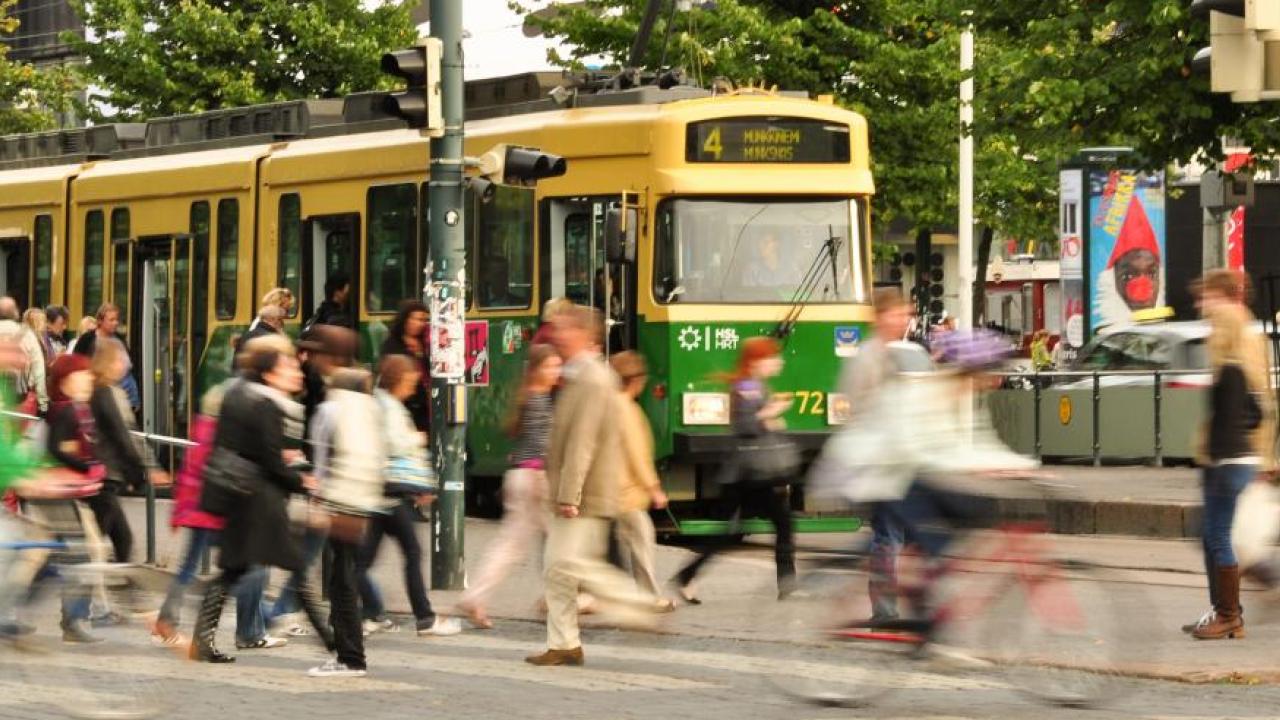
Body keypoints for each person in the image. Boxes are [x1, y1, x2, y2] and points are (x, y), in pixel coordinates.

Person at [189, 335, 335, 665]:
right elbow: (270, 460)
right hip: (260, 501)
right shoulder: (267, 404)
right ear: (269, 373)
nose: (295, 372)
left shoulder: (236, 393)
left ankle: (202, 641)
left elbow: (239, 445)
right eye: (287, 367)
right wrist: (302, 481)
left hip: (236, 495)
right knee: (296, 568)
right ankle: (334, 644)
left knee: (232, 569)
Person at [526, 304, 659, 667]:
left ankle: (638, 603)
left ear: (586, 335)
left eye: (565, 328)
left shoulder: (592, 379)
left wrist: (569, 495)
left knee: (570, 564)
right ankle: (564, 643)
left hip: (585, 493)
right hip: (575, 491)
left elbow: (583, 441)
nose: (557, 333)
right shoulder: (579, 374)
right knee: (557, 569)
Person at [151, 381, 284, 651]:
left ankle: (168, 619)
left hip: (198, 511)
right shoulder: (219, 435)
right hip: (211, 512)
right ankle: (257, 623)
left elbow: (191, 476)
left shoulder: (203, 429)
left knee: (192, 568)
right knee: (247, 565)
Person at [673, 337, 797, 603]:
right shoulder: (746, 387)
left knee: (732, 532)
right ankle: (787, 582)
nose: (778, 361)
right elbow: (745, 427)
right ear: (756, 362)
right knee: (782, 523)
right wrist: (769, 413)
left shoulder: (756, 386)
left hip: (750, 473)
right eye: (772, 357)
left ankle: (688, 576)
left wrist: (771, 417)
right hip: (749, 474)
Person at [1185, 301, 1272, 641]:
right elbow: (1256, 416)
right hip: (1242, 460)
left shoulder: (1227, 371)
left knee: (1218, 535)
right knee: (1215, 533)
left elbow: (1223, 425)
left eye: (1213, 325)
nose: (1209, 332)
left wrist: (1213, 458)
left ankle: (1228, 616)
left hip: (1227, 463)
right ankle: (1227, 613)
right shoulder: (1242, 368)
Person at [357, 355, 460, 638]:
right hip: (392, 493)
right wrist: (418, 439)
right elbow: (395, 444)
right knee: (411, 553)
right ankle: (424, 618)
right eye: (410, 382)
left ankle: (364, 613)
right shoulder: (389, 408)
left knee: (362, 561)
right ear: (398, 381)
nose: (413, 389)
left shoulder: (379, 403)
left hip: (381, 492)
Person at [459, 344, 561, 629]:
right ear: (537, 370)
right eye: (551, 366)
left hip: (519, 476)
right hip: (535, 479)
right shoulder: (541, 401)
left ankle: (475, 597)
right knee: (565, 542)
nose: (556, 371)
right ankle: (568, 599)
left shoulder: (525, 397)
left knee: (510, 546)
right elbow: (546, 448)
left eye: (558, 365)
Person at [834, 288, 912, 622]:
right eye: (897, 314)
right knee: (888, 534)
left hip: (894, 459)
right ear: (880, 318)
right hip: (876, 461)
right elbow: (861, 408)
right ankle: (884, 609)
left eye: (905, 314)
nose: (904, 320)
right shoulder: (868, 356)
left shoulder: (891, 354)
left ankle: (883, 600)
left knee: (894, 533)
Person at [308, 368, 388, 677]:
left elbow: (321, 462)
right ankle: (349, 653)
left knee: (341, 582)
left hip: (339, 501)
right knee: (346, 577)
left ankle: (350, 657)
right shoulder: (370, 410)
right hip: (362, 503)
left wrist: (318, 495)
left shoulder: (329, 410)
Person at [42, 353, 107, 643]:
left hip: (70, 491)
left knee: (82, 552)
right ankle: (74, 619)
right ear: (67, 382)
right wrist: (88, 467)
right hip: (59, 492)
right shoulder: (66, 410)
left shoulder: (79, 409)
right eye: (82, 374)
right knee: (80, 554)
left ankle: (75, 617)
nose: (89, 378)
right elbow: (58, 449)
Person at [87, 339, 169, 568]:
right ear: (110, 362)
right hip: (104, 475)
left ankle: (101, 597)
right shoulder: (104, 392)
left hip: (107, 476)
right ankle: (81, 600)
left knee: (118, 540)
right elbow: (121, 435)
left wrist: (147, 468)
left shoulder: (111, 391)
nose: (128, 364)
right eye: (122, 359)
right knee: (109, 541)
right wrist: (141, 472)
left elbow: (129, 435)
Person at [610, 351, 673, 609]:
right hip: (626, 491)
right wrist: (654, 488)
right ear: (635, 380)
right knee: (642, 539)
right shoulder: (627, 410)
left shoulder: (609, 405)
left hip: (612, 488)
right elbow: (637, 454)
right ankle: (649, 596)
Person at [73, 304, 139, 412]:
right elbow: (75, 363)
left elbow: (128, 369)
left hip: (121, 395)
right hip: (93, 396)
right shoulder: (87, 339)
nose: (116, 323)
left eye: (117, 319)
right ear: (100, 321)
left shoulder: (120, 339)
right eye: (111, 320)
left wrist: (133, 399)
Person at [379, 300, 431, 432]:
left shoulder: (426, 343)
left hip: (426, 403)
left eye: (424, 320)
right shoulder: (392, 344)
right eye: (417, 319)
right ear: (405, 319)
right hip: (406, 404)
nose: (421, 324)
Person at [0, 297, 47, 415]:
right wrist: (43, 403)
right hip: (18, 397)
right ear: (15, 312)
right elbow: (39, 370)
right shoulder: (26, 333)